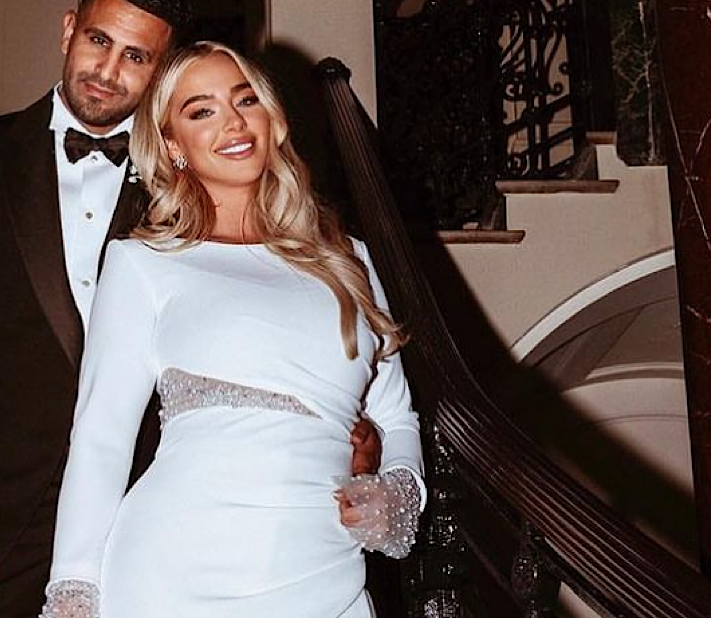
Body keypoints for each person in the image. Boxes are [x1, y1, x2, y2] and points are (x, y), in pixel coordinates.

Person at [0, 0, 381, 618]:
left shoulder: (195, 178)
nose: (107, 69)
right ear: (69, 30)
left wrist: (350, 427)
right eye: (98, 41)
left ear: (162, 71)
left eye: (136, 56)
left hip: (149, 519)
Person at [39, 42, 427, 618]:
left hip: (324, 577)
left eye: (245, 101)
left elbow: (396, 417)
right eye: (202, 110)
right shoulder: (143, 263)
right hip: (171, 577)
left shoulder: (350, 262)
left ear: (271, 117)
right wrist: (73, 590)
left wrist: (400, 492)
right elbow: (101, 439)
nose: (234, 122)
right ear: (173, 145)